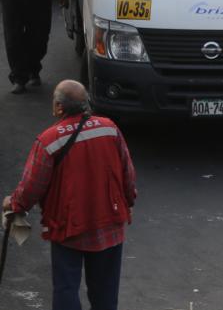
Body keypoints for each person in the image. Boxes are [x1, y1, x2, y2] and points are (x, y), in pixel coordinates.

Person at [3, 80, 137, 310]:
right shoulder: (109, 128)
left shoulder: (49, 140)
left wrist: (13, 204)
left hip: (69, 227)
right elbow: (128, 172)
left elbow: (32, 186)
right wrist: (129, 200)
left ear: (58, 107)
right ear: (86, 104)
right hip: (109, 223)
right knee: (105, 293)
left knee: (66, 288)